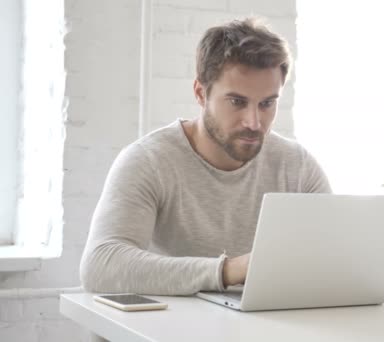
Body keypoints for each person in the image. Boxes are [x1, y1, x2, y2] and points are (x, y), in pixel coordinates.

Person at [80, 18, 331, 295]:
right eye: (237, 102)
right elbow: (100, 266)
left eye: (267, 103)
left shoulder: (297, 166)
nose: (254, 122)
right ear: (201, 93)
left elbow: (338, 256)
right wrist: (229, 271)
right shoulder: (148, 160)